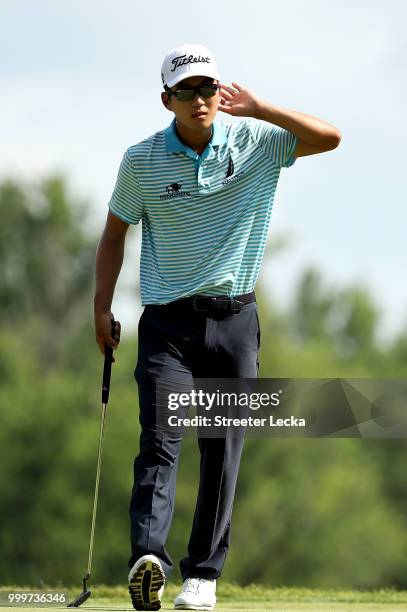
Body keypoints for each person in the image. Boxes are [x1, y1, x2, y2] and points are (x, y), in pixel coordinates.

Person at [93, 43, 341, 611]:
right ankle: (147, 560)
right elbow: (114, 234)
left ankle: (202, 574)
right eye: (187, 91)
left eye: (208, 88)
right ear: (167, 100)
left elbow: (329, 138)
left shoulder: (256, 141)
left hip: (236, 322)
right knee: (161, 442)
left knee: (222, 450)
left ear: (220, 91)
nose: (200, 99)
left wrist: (262, 108)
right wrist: (101, 307)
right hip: (167, 327)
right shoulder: (142, 161)